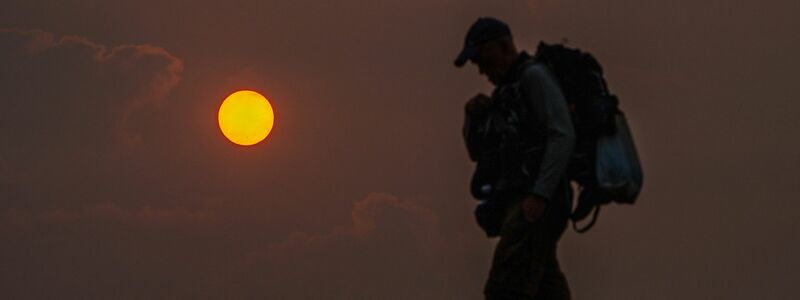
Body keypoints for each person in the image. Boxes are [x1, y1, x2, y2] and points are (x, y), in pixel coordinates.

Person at [455, 17, 576, 300]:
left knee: (505, 287)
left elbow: (563, 134)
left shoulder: (533, 77)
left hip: (536, 201)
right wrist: (471, 117)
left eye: (482, 58)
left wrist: (540, 194)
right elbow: (478, 153)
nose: (481, 69)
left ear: (504, 46)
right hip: (522, 199)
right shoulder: (505, 94)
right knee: (545, 285)